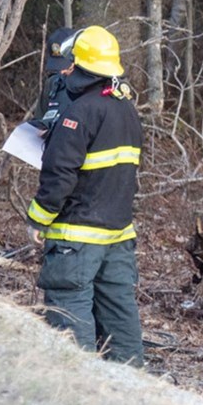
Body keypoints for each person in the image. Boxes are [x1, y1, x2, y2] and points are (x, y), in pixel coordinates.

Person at [23, 26, 145, 365]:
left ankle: (75, 382)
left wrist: (37, 218)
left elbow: (59, 175)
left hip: (76, 238)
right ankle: (134, 384)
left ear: (82, 67)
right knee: (119, 309)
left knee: (69, 307)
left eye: (72, 64)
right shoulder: (126, 110)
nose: (67, 70)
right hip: (118, 234)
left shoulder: (78, 113)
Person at [29, 26, 78, 138]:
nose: (61, 71)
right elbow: (38, 122)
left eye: (66, 65)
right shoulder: (52, 83)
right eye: (57, 66)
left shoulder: (95, 88)